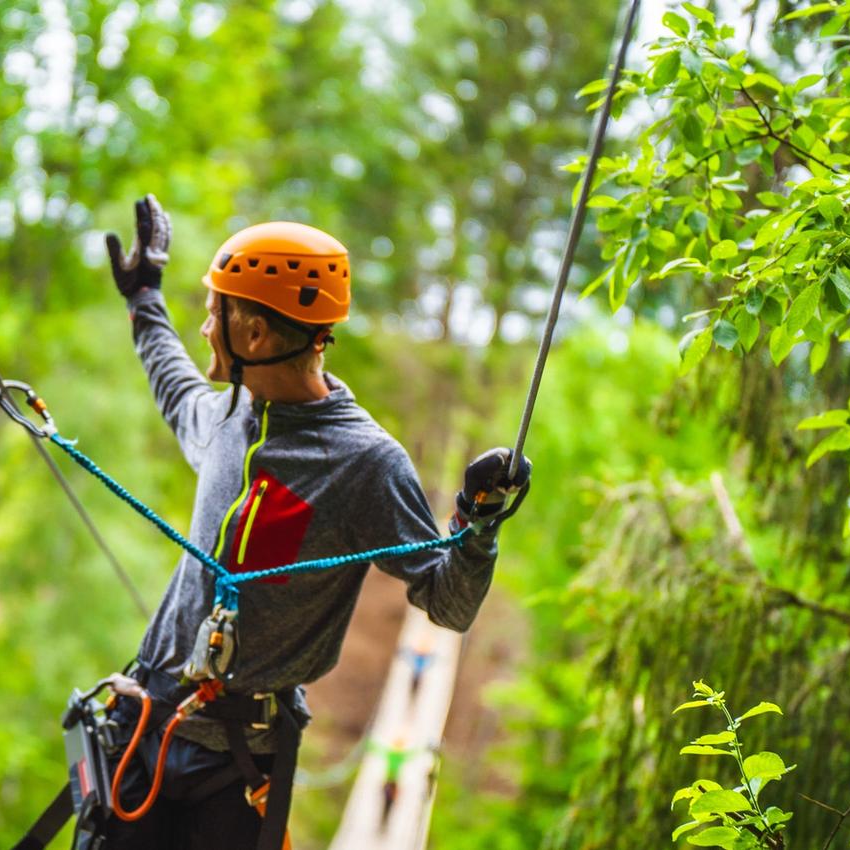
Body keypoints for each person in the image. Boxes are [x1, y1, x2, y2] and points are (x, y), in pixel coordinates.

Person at [98, 195, 531, 850]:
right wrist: (143, 300)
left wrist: (478, 524)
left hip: (236, 771)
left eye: (215, 311)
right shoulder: (226, 419)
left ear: (255, 336)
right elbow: (171, 380)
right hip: (145, 730)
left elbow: (448, 603)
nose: (205, 328)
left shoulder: (364, 464)